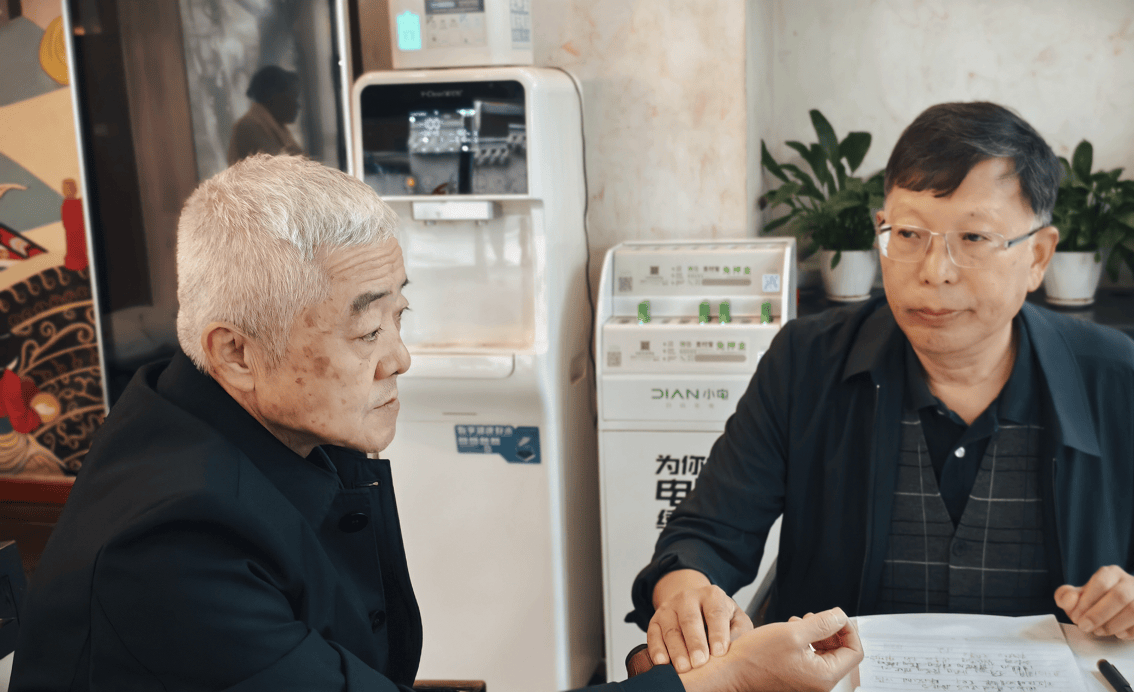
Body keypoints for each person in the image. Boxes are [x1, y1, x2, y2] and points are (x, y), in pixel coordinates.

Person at [11, 154, 863, 692]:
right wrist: (727, 683)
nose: (400, 358)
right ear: (234, 351)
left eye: (400, 316)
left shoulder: (266, 425)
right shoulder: (173, 545)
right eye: (364, 331)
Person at [631, 101, 1134, 673]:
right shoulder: (805, 363)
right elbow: (708, 535)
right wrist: (688, 593)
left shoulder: (1131, 386)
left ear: (1038, 256)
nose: (934, 271)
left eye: (974, 238)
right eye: (909, 234)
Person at [227, 65, 305, 165]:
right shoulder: (249, 127)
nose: (298, 105)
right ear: (275, 96)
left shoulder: (275, 126)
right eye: (293, 97)